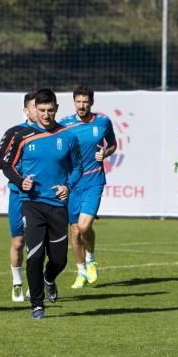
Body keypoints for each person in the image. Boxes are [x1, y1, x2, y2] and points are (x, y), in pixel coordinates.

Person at [0, 88, 82, 319]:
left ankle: (49, 278)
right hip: (31, 204)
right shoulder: (22, 136)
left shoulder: (68, 136)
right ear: (35, 109)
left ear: (56, 109)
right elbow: (6, 164)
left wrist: (68, 187)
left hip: (57, 205)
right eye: (42, 110)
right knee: (34, 255)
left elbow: (77, 168)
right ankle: (37, 304)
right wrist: (20, 181)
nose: (46, 114)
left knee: (59, 260)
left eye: (50, 110)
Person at [59, 86, 117, 290]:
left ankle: (91, 259)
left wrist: (106, 153)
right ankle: (81, 271)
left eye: (85, 102)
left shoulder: (102, 122)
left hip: (94, 180)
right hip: (72, 183)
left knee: (84, 227)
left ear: (91, 103)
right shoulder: (64, 124)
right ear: (74, 102)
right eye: (78, 101)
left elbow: (112, 144)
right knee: (74, 232)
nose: (82, 105)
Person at [0, 92, 37, 302]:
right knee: (18, 241)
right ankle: (17, 283)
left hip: (41, 197)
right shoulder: (15, 133)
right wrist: (13, 164)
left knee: (38, 243)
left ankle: (35, 284)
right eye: (36, 107)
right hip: (18, 194)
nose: (41, 111)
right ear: (26, 110)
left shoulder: (53, 134)